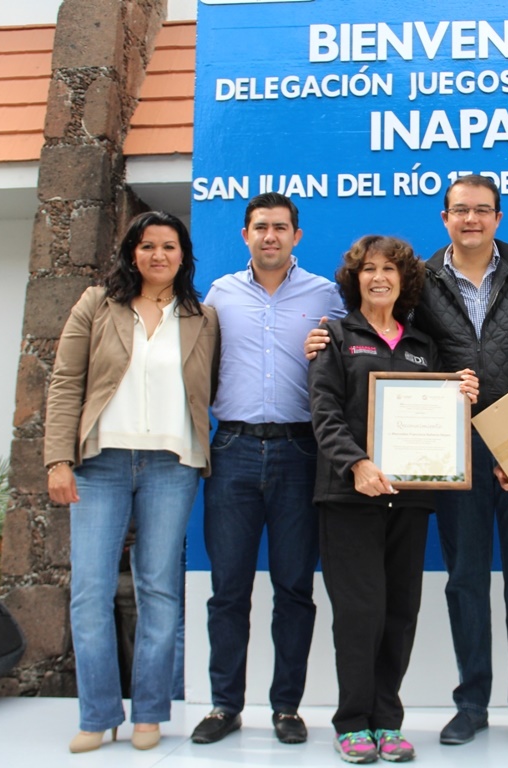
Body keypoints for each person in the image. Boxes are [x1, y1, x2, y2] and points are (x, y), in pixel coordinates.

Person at [306, 175, 508, 750]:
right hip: (449, 449)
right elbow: (383, 335)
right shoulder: (422, 278)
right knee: (465, 578)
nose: (471, 219)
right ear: (445, 218)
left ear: (498, 217)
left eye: (482, 210)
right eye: (460, 210)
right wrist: (321, 340)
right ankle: (471, 705)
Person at [45, 211, 218, 753]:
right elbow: (66, 381)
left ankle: (149, 713)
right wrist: (58, 460)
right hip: (101, 463)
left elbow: (209, 386)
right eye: (147, 246)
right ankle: (98, 714)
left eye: (169, 246)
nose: (158, 255)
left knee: (159, 590)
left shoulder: (202, 317)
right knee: (91, 590)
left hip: (172, 463)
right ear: (132, 253)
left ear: (183, 256)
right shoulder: (97, 304)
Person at [308, 235, 479, 764]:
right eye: (369, 269)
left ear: (404, 281)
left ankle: (387, 721)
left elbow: (439, 415)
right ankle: (351, 722)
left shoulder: (422, 346)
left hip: (409, 500)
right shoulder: (335, 336)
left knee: (400, 612)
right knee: (359, 613)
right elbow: (324, 412)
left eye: (389, 269)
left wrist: (462, 394)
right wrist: (356, 464)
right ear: (354, 278)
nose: (379, 277)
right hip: (349, 496)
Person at [191, 192, 345, 746]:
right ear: (246, 235)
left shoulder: (325, 295)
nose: (270, 236)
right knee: (228, 589)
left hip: (301, 452)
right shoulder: (220, 295)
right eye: (261, 227)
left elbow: (354, 361)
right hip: (232, 448)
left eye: (280, 227)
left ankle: (287, 708)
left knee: (295, 588)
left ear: (296, 236)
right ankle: (224, 705)